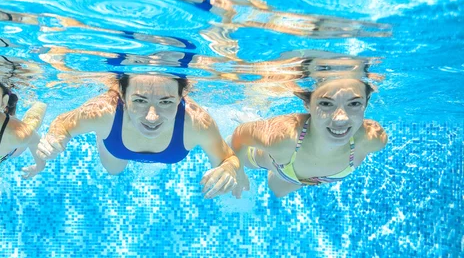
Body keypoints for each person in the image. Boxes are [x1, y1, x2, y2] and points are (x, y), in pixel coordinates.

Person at [36, 73, 248, 198]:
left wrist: (229, 168)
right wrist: (55, 139)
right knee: (114, 170)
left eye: (165, 102)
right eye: (139, 101)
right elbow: (63, 123)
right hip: (116, 145)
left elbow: (228, 158)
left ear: (181, 97)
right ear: (122, 95)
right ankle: (103, 135)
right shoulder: (103, 112)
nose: (152, 117)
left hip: (165, 149)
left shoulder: (196, 122)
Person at [230, 78, 387, 198]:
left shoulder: (373, 139)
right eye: (326, 103)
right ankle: (249, 116)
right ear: (307, 105)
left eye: (354, 104)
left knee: (277, 191)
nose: (341, 119)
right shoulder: (283, 138)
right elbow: (239, 135)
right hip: (269, 159)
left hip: (293, 177)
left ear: (366, 104)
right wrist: (239, 172)